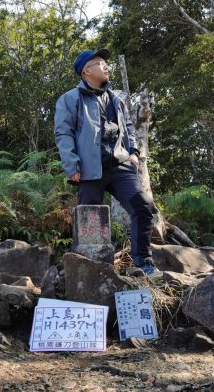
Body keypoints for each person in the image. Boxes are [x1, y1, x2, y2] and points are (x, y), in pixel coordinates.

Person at [54, 48, 158, 275]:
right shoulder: (70, 99)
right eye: (100, 63)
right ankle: (90, 271)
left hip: (120, 167)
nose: (106, 66)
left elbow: (128, 127)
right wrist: (72, 165)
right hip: (90, 171)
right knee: (90, 223)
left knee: (142, 207)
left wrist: (133, 154)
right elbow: (64, 133)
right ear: (86, 71)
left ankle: (143, 263)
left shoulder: (116, 99)